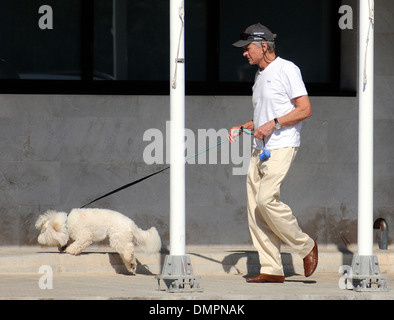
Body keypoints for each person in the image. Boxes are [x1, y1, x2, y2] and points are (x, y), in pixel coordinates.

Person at [228, 23, 318, 283]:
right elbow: (266, 115)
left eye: (248, 48)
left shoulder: (287, 69)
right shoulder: (259, 75)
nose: (244, 53)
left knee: (267, 200)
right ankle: (271, 269)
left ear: (263, 46)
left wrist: (274, 124)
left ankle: (305, 245)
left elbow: (304, 109)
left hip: (282, 144)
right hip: (260, 148)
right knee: (255, 210)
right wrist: (248, 125)